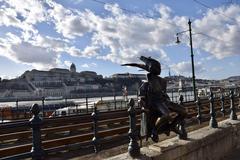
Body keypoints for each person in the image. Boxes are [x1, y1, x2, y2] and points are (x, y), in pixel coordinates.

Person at [122, 56, 187, 142]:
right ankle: (155, 130)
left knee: (184, 111)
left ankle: (172, 126)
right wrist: (141, 102)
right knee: (167, 114)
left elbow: (164, 93)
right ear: (152, 68)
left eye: (159, 67)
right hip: (155, 103)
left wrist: (168, 100)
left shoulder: (162, 81)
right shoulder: (146, 84)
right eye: (158, 67)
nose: (159, 69)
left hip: (165, 101)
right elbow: (141, 97)